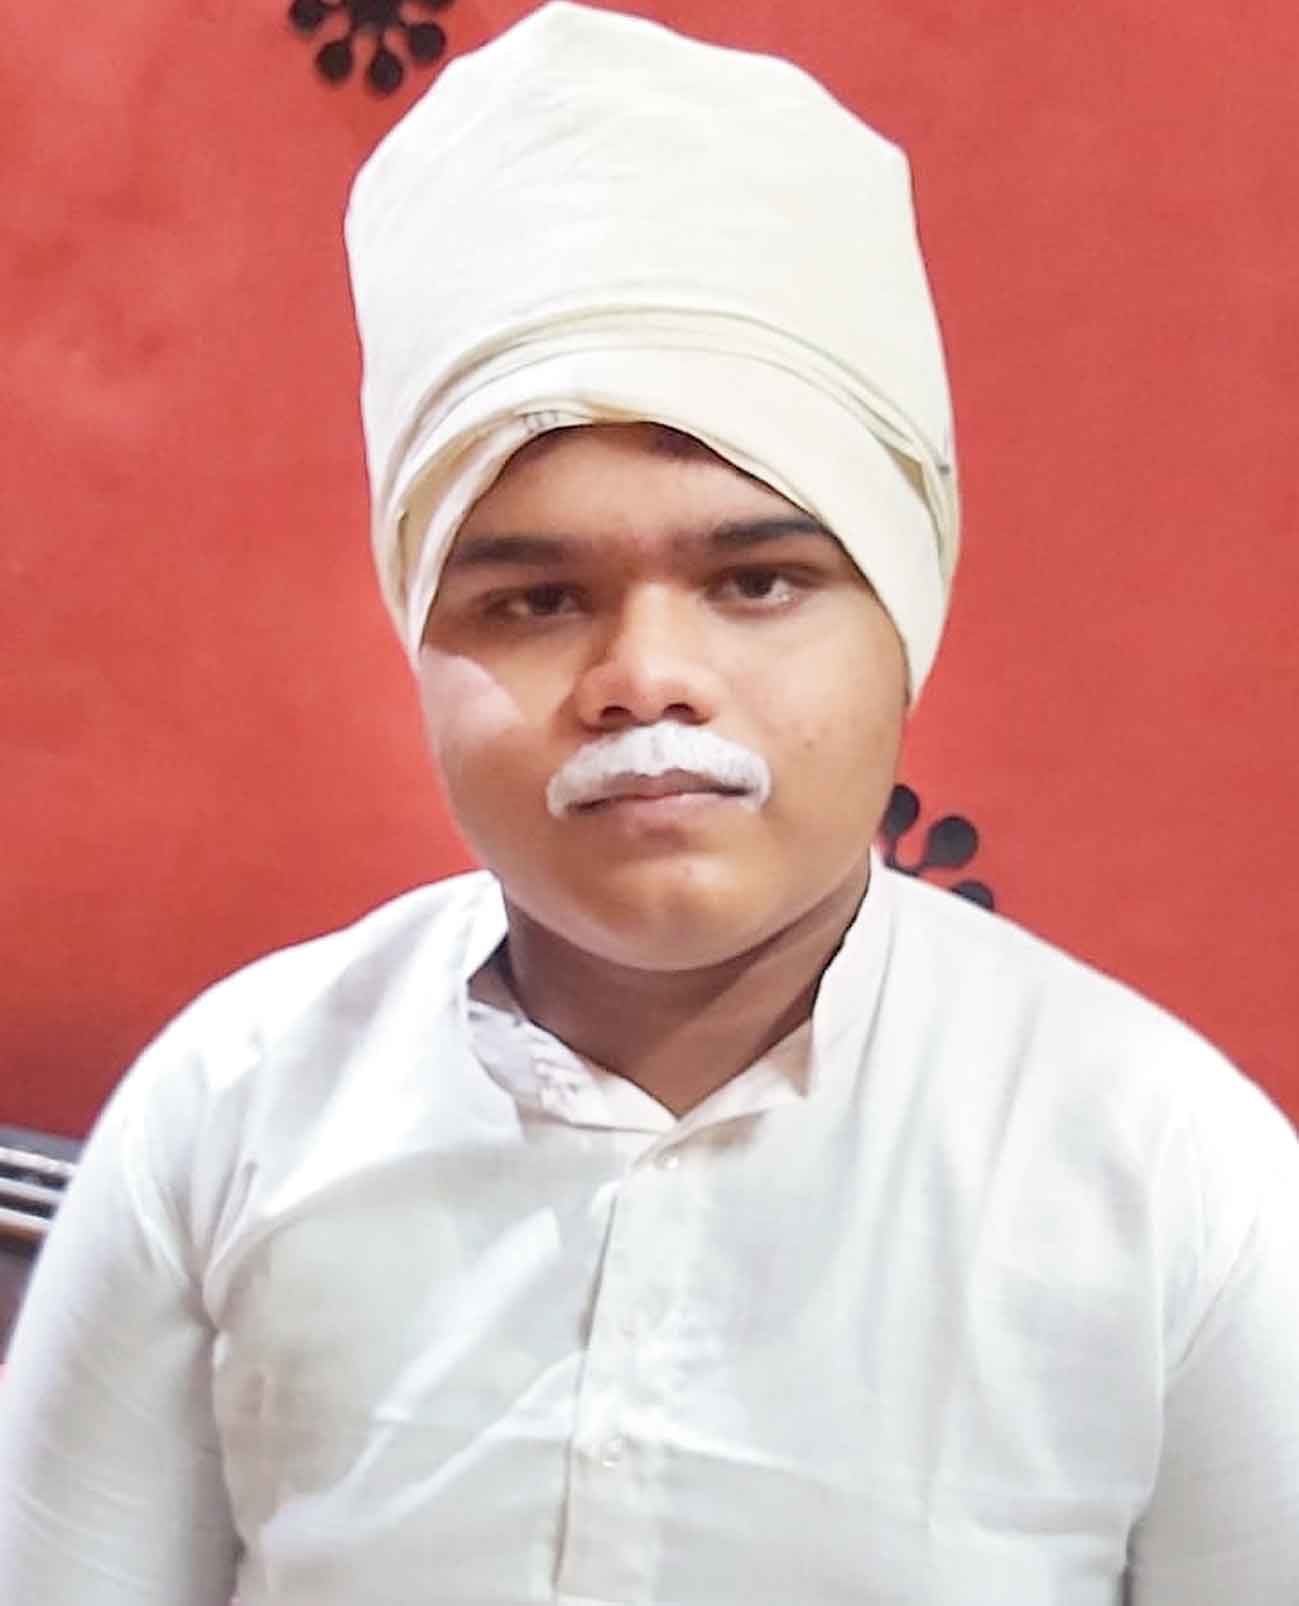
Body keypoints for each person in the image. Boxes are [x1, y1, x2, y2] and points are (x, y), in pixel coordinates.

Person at [1, 4, 1296, 1602]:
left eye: (757, 580)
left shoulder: (1172, 1186)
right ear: (422, 637)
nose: (646, 679)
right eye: (535, 601)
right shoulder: (227, 1124)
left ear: (907, 612)